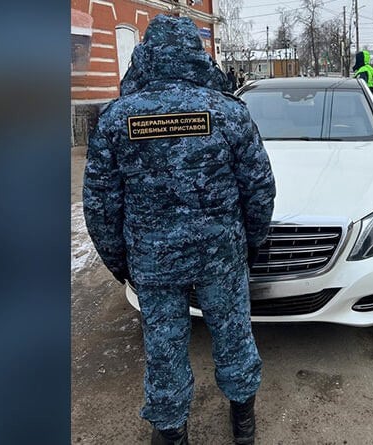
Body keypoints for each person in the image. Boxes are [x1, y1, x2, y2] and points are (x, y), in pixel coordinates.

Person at [83, 15, 276, 445]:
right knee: (233, 335)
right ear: (196, 55)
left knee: (164, 347)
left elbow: (99, 204)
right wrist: (250, 243)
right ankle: (243, 425)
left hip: (152, 262)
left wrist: (121, 262)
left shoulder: (117, 119)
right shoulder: (228, 112)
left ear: (145, 55)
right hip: (219, 256)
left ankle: (171, 432)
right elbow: (259, 188)